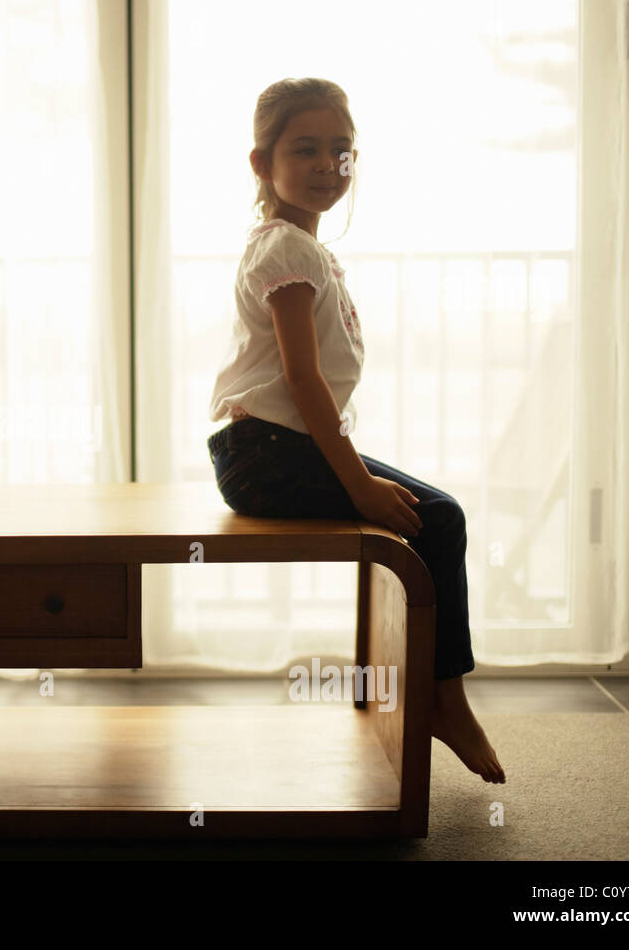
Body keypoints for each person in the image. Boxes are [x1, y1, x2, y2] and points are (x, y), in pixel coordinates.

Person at [207, 77, 505, 784]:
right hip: (265, 455)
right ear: (261, 164)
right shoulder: (287, 251)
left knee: (435, 516)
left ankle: (435, 697)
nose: (326, 165)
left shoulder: (298, 249)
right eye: (304, 149)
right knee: (436, 517)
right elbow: (305, 383)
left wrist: (358, 476)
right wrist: (360, 486)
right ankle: (443, 701)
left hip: (274, 449)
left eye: (341, 152)